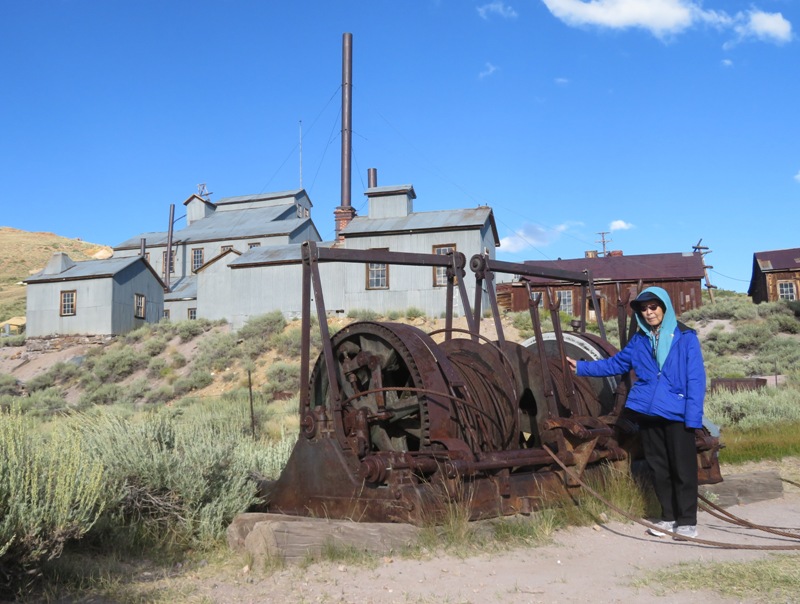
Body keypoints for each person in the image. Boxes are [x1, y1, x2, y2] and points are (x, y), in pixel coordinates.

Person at [566, 286, 706, 539]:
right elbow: (616, 364)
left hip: (677, 413)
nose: (649, 313)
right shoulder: (640, 340)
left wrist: (693, 418)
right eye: (644, 309)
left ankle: (687, 521)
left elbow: (696, 379)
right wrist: (581, 368)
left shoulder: (685, 338)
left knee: (682, 469)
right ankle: (668, 518)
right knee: (659, 468)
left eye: (653, 307)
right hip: (648, 413)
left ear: (664, 307)